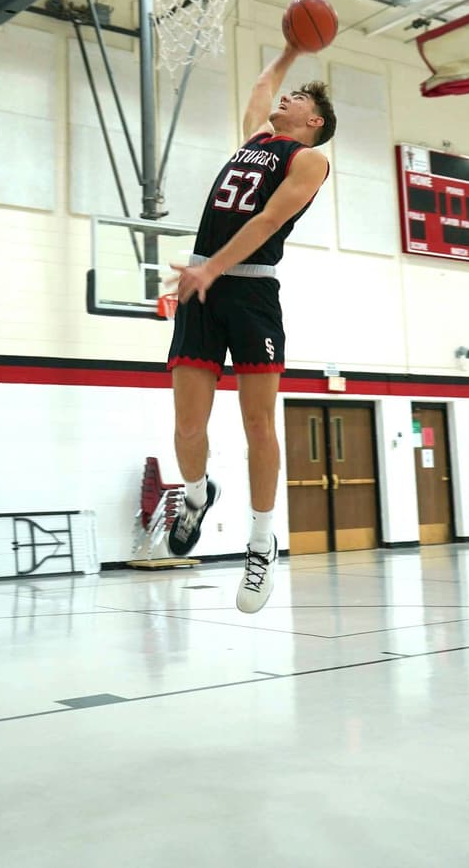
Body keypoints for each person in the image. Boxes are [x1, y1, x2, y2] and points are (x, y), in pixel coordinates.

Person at [166, 41, 336, 612]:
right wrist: (290, 48)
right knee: (188, 426)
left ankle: (261, 544)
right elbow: (261, 91)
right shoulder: (255, 142)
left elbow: (268, 219)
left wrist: (211, 267)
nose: (283, 97)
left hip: (249, 288)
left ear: (313, 121)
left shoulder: (309, 160)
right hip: (202, 284)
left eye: (299, 98)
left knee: (258, 425)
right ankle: (195, 496)